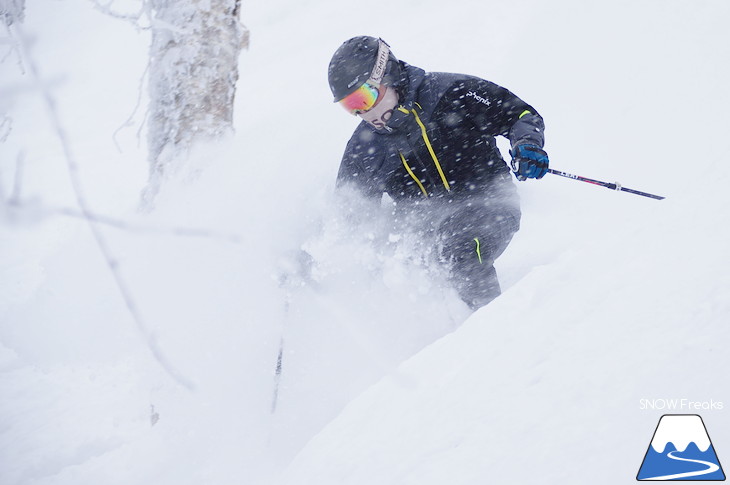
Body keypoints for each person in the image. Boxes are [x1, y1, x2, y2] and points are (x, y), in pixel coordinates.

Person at [328, 36, 549, 310]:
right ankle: (441, 343)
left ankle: (496, 332)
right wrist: (318, 256)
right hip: (424, 236)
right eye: (352, 107)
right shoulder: (364, 148)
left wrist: (527, 145)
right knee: (398, 278)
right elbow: (349, 214)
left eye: (365, 97)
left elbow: (520, 115)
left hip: (489, 204)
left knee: (461, 251)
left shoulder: (451, 92)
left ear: (389, 74)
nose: (365, 112)